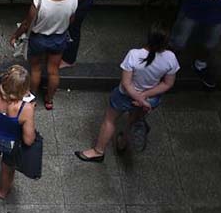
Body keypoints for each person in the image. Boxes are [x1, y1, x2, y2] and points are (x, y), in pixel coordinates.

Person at [76, 25, 179, 162]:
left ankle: (98, 151)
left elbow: (126, 83)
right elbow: (167, 83)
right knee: (134, 120)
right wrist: (144, 97)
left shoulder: (135, 55)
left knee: (110, 120)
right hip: (150, 99)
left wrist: (138, 97)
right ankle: (123, 142)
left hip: (125, 96)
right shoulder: (170, 57)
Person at [10, 0, 78, 110]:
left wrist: (15, 36)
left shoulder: (39, 3)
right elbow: (71, 20)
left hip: (38, 40)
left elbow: (26, 24)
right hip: (59, 39)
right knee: (53, 71)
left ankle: (32, 98)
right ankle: (49, 100)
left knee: (35, 69)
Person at [0, 65, 36, 199]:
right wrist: (31, 111)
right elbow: (28, 139)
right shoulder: (26, 109)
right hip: (11, 144)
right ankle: (3, 192)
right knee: (8, 169)